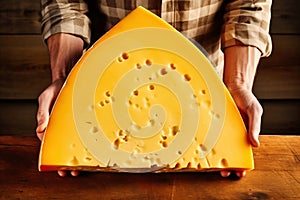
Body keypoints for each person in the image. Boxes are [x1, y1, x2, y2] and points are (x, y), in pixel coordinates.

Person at [37, 0, 272, 177]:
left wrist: (237, 83)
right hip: (101, 101)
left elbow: (249, 5)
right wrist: (65, 79)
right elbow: (65, 4)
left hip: (206, 101)